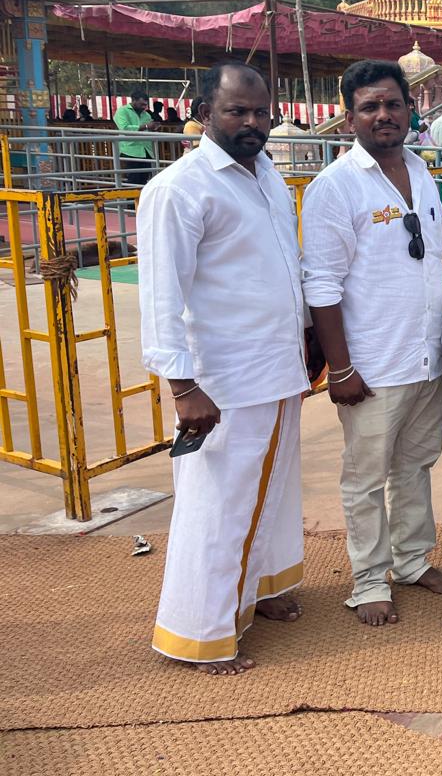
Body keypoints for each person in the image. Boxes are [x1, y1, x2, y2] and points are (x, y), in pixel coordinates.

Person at [138, 61, 306, 675]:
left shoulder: (266, 174)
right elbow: (162, 296)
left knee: (271, 489)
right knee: (217, 506)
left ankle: (256, 590)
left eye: (262, 112)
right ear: (204, 112)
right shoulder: (180, 189)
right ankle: (200, 632)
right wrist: (184, 386)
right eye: (237, 111)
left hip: (276, 364)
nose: (252, 123)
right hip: (223, 379)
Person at [300, 60, 442, 629]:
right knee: (365, 478)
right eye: (369, 107)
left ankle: (411, 561)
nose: (383, 115)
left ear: (410, 110)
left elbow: (437, 253)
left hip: (427, 355)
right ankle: (368, 579)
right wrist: (340, 369)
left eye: (392, 104)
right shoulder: (334, 187)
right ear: (349, 119)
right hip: (371, 364)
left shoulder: (421, 169)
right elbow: (321, 284)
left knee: (415, 465)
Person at [113, 89, 159, 185]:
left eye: (145, 105)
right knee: (133, 179)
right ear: (134, 100)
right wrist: (146, 126)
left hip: (146, 151)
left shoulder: (146, 114)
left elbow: (148, 128)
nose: (144, 107)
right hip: (130, 150)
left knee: (144, 180)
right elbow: (124, 128)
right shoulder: (122, 111)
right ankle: (131, 195)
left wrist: (153, 128)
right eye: (141, 104)